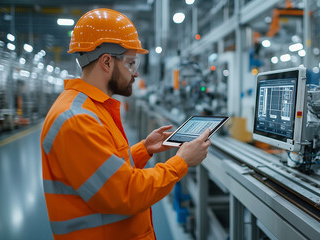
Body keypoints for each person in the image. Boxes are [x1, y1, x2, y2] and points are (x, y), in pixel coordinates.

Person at [40, 8, 211, 240]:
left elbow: (103, 171)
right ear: (107, 62)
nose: (136, 73)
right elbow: (125, 193)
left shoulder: (91, 108)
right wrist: (180, 162)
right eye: (131, 63)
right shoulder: (77, 119)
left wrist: (144, 149)